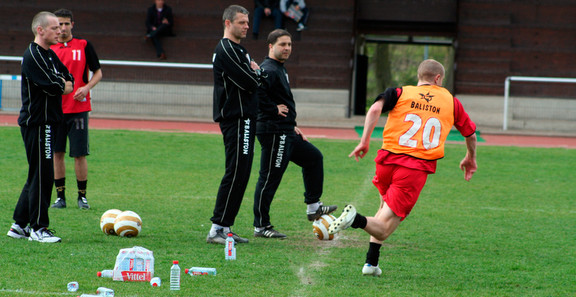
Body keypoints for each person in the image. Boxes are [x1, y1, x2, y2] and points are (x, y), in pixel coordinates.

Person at [328, 59, 478, 276]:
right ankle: (354, 219)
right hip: (414, 167)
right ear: (438, 78)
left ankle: (371, 263)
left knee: (382, 212)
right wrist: (470, 157)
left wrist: (364, 141)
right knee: (384, 227)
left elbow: (374, 110)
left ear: (419, 76)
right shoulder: (451, 102)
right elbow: (471, 135)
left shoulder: (400, 92)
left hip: (386, 161)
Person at [253, 29, 337, 238]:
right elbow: (255, 95)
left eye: (289, 44)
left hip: (285, 130)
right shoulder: (268, 69)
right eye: (282, 44)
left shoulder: (279, 68)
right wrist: (274, 110)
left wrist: (292, 125)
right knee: (270, 177)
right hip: (273, 132)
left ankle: (313, 207)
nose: (287, 48)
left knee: (313, 158)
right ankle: (261, 226)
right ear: (270, 46)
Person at [7, 11, 74, 243]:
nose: (60, 31)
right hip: (38, 124)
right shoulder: (33, 55)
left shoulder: (49, 55)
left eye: (61, 27)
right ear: (40, 30)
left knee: (37, 174)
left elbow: (69, 80)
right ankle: (38, 228)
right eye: (55, 28)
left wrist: (62, 84)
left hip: (49, 123)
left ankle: (19, 225)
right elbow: (56, 85)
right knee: (44, 176)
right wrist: (61, 84)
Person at [207, 5, 263, 245]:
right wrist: (258, 74)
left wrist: (257, 74)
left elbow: (256, 77)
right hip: (236, 119)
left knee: (242, 171)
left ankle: (226, 226)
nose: (247, 26)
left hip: (247, 118)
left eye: (247, 22)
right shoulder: (226, 49)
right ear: (228, 23)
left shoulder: (240, 50)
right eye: (242, 22)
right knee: (236, 170)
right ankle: (217, 228)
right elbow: (252, 81)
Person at [50, 8, 102, 210]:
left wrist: (87, 87)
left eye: (66, 23)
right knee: (57, 153)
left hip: (78, 109)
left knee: (79, 154)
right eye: (58, 24)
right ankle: (60, 197)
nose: (62, 28)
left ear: (73, 24)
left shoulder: (84, 45)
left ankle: (82, 197)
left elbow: (98, 72)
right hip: (55, 110)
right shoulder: (49, 48)